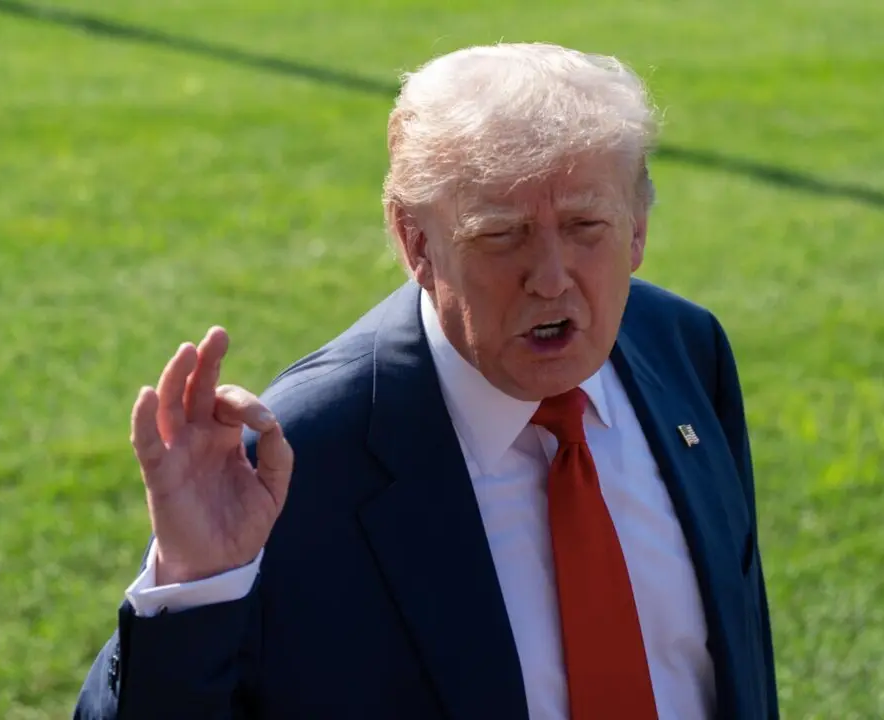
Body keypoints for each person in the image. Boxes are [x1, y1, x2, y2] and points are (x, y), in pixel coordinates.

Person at [74, 42, 778, 720]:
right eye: (502, 234)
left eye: (585, 225)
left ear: (638, 228)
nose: (551, 278)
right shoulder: (301, 458)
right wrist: (192, 586)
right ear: (416, 242)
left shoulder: (685, 349)